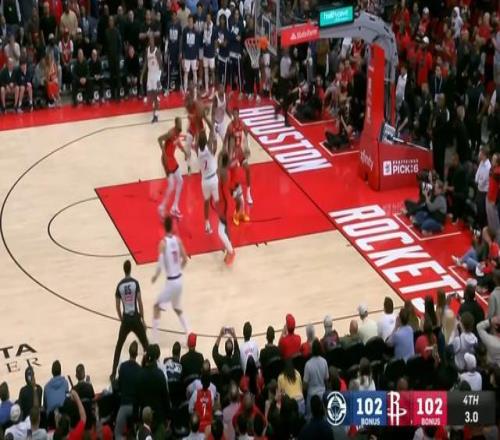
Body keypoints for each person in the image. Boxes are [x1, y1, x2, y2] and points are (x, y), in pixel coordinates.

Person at [151, 216, 190, 342]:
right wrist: (178, 269)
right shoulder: (178, 240)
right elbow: (185, 259)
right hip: (179, 280)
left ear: (164, 227)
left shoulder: (163, 243)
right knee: (177, 308)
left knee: (156, 307)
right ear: (172, 226)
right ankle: (189, 333)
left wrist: (155, 276)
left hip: (171, 282)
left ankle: (154, 341)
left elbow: (160, 264)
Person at [111, 259, 148, 380]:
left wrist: (121, 318)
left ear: (124, 270)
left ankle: (113, 373)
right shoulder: (135, 283)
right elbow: (140, 302)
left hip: (126, 319)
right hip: (136, 317)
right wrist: (143, 319)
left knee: (119, 346)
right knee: (146, 344)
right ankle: (150, 367)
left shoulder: (119, 285)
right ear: (130, 269)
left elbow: (117, 305)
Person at [224, 107, 252, 225]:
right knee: (238, 199)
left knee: (248, 169)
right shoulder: (230, 127)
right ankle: (236, 214)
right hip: (233, 155)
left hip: (239, 151)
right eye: (233, 114)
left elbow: (247, 132)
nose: (235, 116)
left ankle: (248, 193)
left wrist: (247, 146)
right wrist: (225, 151)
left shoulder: (242, 124)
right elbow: (226, 138)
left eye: (236, 114)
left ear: (238, 114)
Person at [157, 117, 186, 218]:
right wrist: (164, 153)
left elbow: (178, 143)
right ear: (176, 124)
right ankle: (161, 207)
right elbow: (159, 139)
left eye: (181, 123)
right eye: (179, 123)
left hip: (172, 159)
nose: (181, 125)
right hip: (166, 160)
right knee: (171, 185)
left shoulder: (177, 133)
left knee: (180, 181)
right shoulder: (171, 133)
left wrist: (185, 151)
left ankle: (175, 207)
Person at [115, 341, 142, 440]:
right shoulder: (140, 369)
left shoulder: (123, 367)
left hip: (124, 405)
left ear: (129, 352)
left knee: (118, 434)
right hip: (136, 408)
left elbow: (119, 386)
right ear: (137, 354)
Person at [215, 150, 236, 265]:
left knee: (220, 231)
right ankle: (230, 249)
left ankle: (231, 251)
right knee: (225, 229)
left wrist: (223, 152)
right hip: (225, 201)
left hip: (225, 204)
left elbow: (219, 164)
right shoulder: (226, 171)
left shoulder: (222, 171)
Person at [198, 130, 218, 234]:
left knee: (206, 202)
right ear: (206, 142)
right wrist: (212, 129)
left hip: (204, 181)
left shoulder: (198, 152)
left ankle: (207, 225)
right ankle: (222, 223)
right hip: (213, 179)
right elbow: (215, 145)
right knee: (218, 201)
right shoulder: (209, 151)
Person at [303, 339, 328, 417]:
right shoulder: (324, 362)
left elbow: (305, 385)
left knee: (310, 418)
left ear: (312, 350)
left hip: (311, 397)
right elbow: (326, 380)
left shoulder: (308, 364)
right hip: (322, 395)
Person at [184, 88, 205, 173]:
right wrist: (189, 123)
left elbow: (198, 120)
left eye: (188, 100)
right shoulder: (187, 106)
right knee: (187, 146)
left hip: (199, 127)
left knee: (198, 148)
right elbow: (190, 118)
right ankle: (189, 166)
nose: (187, 102)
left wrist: (197, 137)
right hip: (193, 126)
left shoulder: (197, 105)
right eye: (186, 101)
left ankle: (201, 166)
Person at [143, 34, 162, 123]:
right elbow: (145, 63)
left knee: (155, 96)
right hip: (149, 75)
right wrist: (142, 75)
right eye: (149, 40)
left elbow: (161, 65)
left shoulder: (157, 51)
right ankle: (156, 105)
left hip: (156, 75)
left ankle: (156, 115)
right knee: (150, 97)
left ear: (154, 41)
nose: (151, 41)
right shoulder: (147, 51)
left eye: (152, 40)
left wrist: (159, 78)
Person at [182, 14, 199, 96]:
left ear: (193, 22)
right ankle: (185, 90)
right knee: (186, 73)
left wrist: (197, 58)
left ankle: (195, 90)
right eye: (189, 21)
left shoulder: (196, 31)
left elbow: (197, 45)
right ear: (187, 21)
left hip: (194, 56)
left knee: (195, 72)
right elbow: (183, 44)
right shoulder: (185, 30)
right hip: (186, 56)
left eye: (191, 21)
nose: (190, 22)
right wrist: (183, 57)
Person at [202, 11, 216, 97]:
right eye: (206, 18)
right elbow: (203, 39)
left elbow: (215, 40)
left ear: (211, 19)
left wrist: (215, 50)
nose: (207, 19)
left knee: (212, 71)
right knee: (206, 71)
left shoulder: (214, 28)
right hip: (205, 52)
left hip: (211, 53)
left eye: (209, 18)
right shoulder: (204, 27)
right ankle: (207, 90)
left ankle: (213, 91)